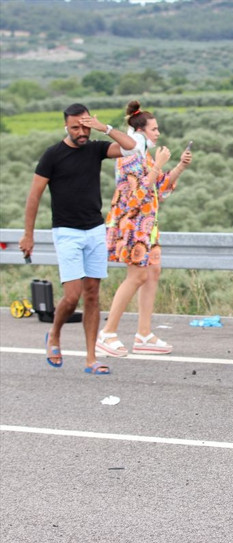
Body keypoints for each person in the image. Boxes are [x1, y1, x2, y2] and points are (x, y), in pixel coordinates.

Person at [19, 103, 137, 375]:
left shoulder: (95, 148)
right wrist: (29, 235)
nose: (81, 132)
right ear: (66, 127)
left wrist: (104, 128)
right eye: (75, 127)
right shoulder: (52, 156)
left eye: (85, 126)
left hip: (95, 229)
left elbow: (132, 148)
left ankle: (91, 358)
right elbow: (34, 197)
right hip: (67, 231)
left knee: (93, 294)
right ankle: (55, 334)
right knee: (72, 297)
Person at [96, 101, 192, 357]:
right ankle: (107, 333)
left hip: (148, 226)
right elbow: (136, 197)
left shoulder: (144, 156)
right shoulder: (128, 157)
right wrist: (159, 165)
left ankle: (144, 334)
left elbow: (160, 188)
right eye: (154, 128)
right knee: (137, 276)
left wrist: (180, 166)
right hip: (133, 225)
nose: (158, 133)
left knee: (153, 273)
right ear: (141, 130)